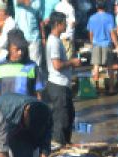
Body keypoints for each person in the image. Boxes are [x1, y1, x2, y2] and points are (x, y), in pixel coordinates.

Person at [44, 11, 76, 145]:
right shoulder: (54, 42)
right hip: (58, 86)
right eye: (64, 23)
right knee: (60, 122)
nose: (66, 25)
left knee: (68, 117)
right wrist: (72, 62)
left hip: (62, 85)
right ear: (57, 24)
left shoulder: (56, 40)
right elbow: (57, 64)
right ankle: (60, 149)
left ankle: (66, 145)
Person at [0, 29, 43, 101]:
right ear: (9, 48)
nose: (20, 52)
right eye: (17, 49)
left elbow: (38, 95)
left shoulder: (32, 66)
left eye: (22, 49)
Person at [88, 1, 118, 81]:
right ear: (105, 7)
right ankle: (111, 88)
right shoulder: (109, 17)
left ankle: (96, 87)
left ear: (97, 7)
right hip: (107, 44)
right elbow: (112, 32)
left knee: (96, 65)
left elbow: (91, 33)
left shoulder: (92, 18)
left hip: (96, 43)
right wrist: (116, 45)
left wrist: (91, 43)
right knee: (109, 66)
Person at [14, 0, 44, 66]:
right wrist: (27, 2)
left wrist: (43, 37)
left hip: (34, 37)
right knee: (21, 64)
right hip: (20, 38)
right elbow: (18, 1)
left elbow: (40, 18)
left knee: (36, 65)